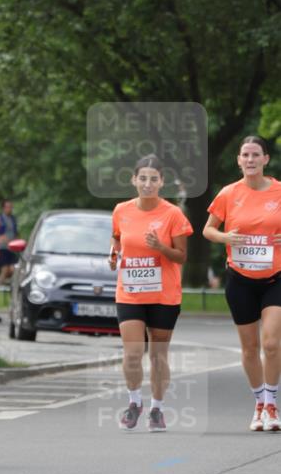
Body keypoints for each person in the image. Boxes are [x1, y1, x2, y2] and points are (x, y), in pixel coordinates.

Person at [109, 154, 193, 432]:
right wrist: (113, 254)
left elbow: (181, 257)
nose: (147, 184)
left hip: (163, 294)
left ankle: (157, 408)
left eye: (153, 179)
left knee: (158, 355)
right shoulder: (121, 210)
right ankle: (135, 402)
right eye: (142, 178)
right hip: (130, 292)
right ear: (134, 180)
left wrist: (160, 247)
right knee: (132, 353)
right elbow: (118, 238)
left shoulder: (173, 214)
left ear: (161, 182)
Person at [203, 135, 281, 433]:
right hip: (240, 280)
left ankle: (272, 403)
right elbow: (208, 230)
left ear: (265, 160)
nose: (250, 160)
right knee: (249, 348)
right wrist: (226, 238)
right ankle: (259, 403)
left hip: (275, 278)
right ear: (238, 160)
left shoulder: (279, 191)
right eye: (245, 155)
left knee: (271, 344)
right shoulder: (228, 193)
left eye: (255, 155)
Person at [0, 199, 19, 285]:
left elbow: (15, 233)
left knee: (13, 269)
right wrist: (0, 238)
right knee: (4, 269)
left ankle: (12, 288)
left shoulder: (13, 219)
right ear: (3, 208)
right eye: (7, 207)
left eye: (11, 207)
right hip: (2, 248)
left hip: (11, 248)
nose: (9, 209)